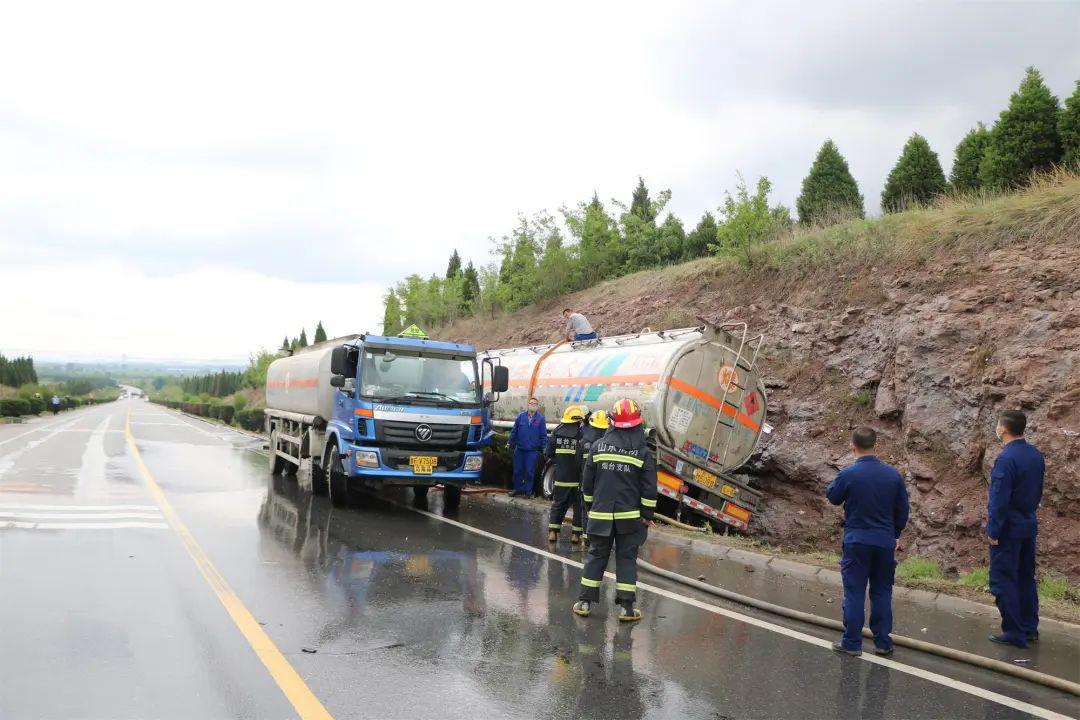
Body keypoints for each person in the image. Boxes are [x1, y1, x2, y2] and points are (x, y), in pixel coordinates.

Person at [826, 426, 909, 657]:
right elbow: (903, 510)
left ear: (852, 446)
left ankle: (852, 642)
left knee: (854, 591)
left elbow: (833, 496)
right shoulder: (893, 475)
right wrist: (895, 534)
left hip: (857, 541)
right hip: (884, 542)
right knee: (882, 591)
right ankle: (883, 642)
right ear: (876, 446)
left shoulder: (849, 474)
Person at [573, 398, 657, 622]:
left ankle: (584, 603)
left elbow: (587, 485)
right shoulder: (642, 452)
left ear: (612, 422)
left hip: (600, 516)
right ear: (638, 424)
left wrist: (591, 508)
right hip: (630, 519)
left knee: (596, 556)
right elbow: (649, 490)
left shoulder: (599, 447)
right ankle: (627, 609)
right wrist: (647, 516)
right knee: (626, 559)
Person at [986, 409, 1044, 648]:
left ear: (1004, 428)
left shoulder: (1006, 459)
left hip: (1008, 528)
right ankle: (1030, 627)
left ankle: (1013, 632)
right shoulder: (1035, 455)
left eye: (998, 424)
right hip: (1028, 523)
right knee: (1025, 577)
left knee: (1002, 579)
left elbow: (999, 499)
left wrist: (994, 531)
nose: (997, 428)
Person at [545, 405, 587, 545]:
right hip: (576, 480)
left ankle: (553, 532)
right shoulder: (581, 435)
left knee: (558, 504)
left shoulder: (557, 433)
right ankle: (576, 535)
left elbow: (548, 453)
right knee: (578, 507)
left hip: (561, 478)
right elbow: (583, 458)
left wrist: (560, 461)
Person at [508, 397, 547, 497]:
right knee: (517, 471)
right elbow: (514, 431)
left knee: (530, 472)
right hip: (520, 450)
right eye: (531, 403)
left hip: (532, 451)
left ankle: (527, 492)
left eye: (535, 404)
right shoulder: (521, 416)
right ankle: (516, 490)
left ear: (537, 406)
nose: (532, 405)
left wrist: (544, 447)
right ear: (528, 405)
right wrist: (509, 442)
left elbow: (543, 435)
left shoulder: (541, 419)